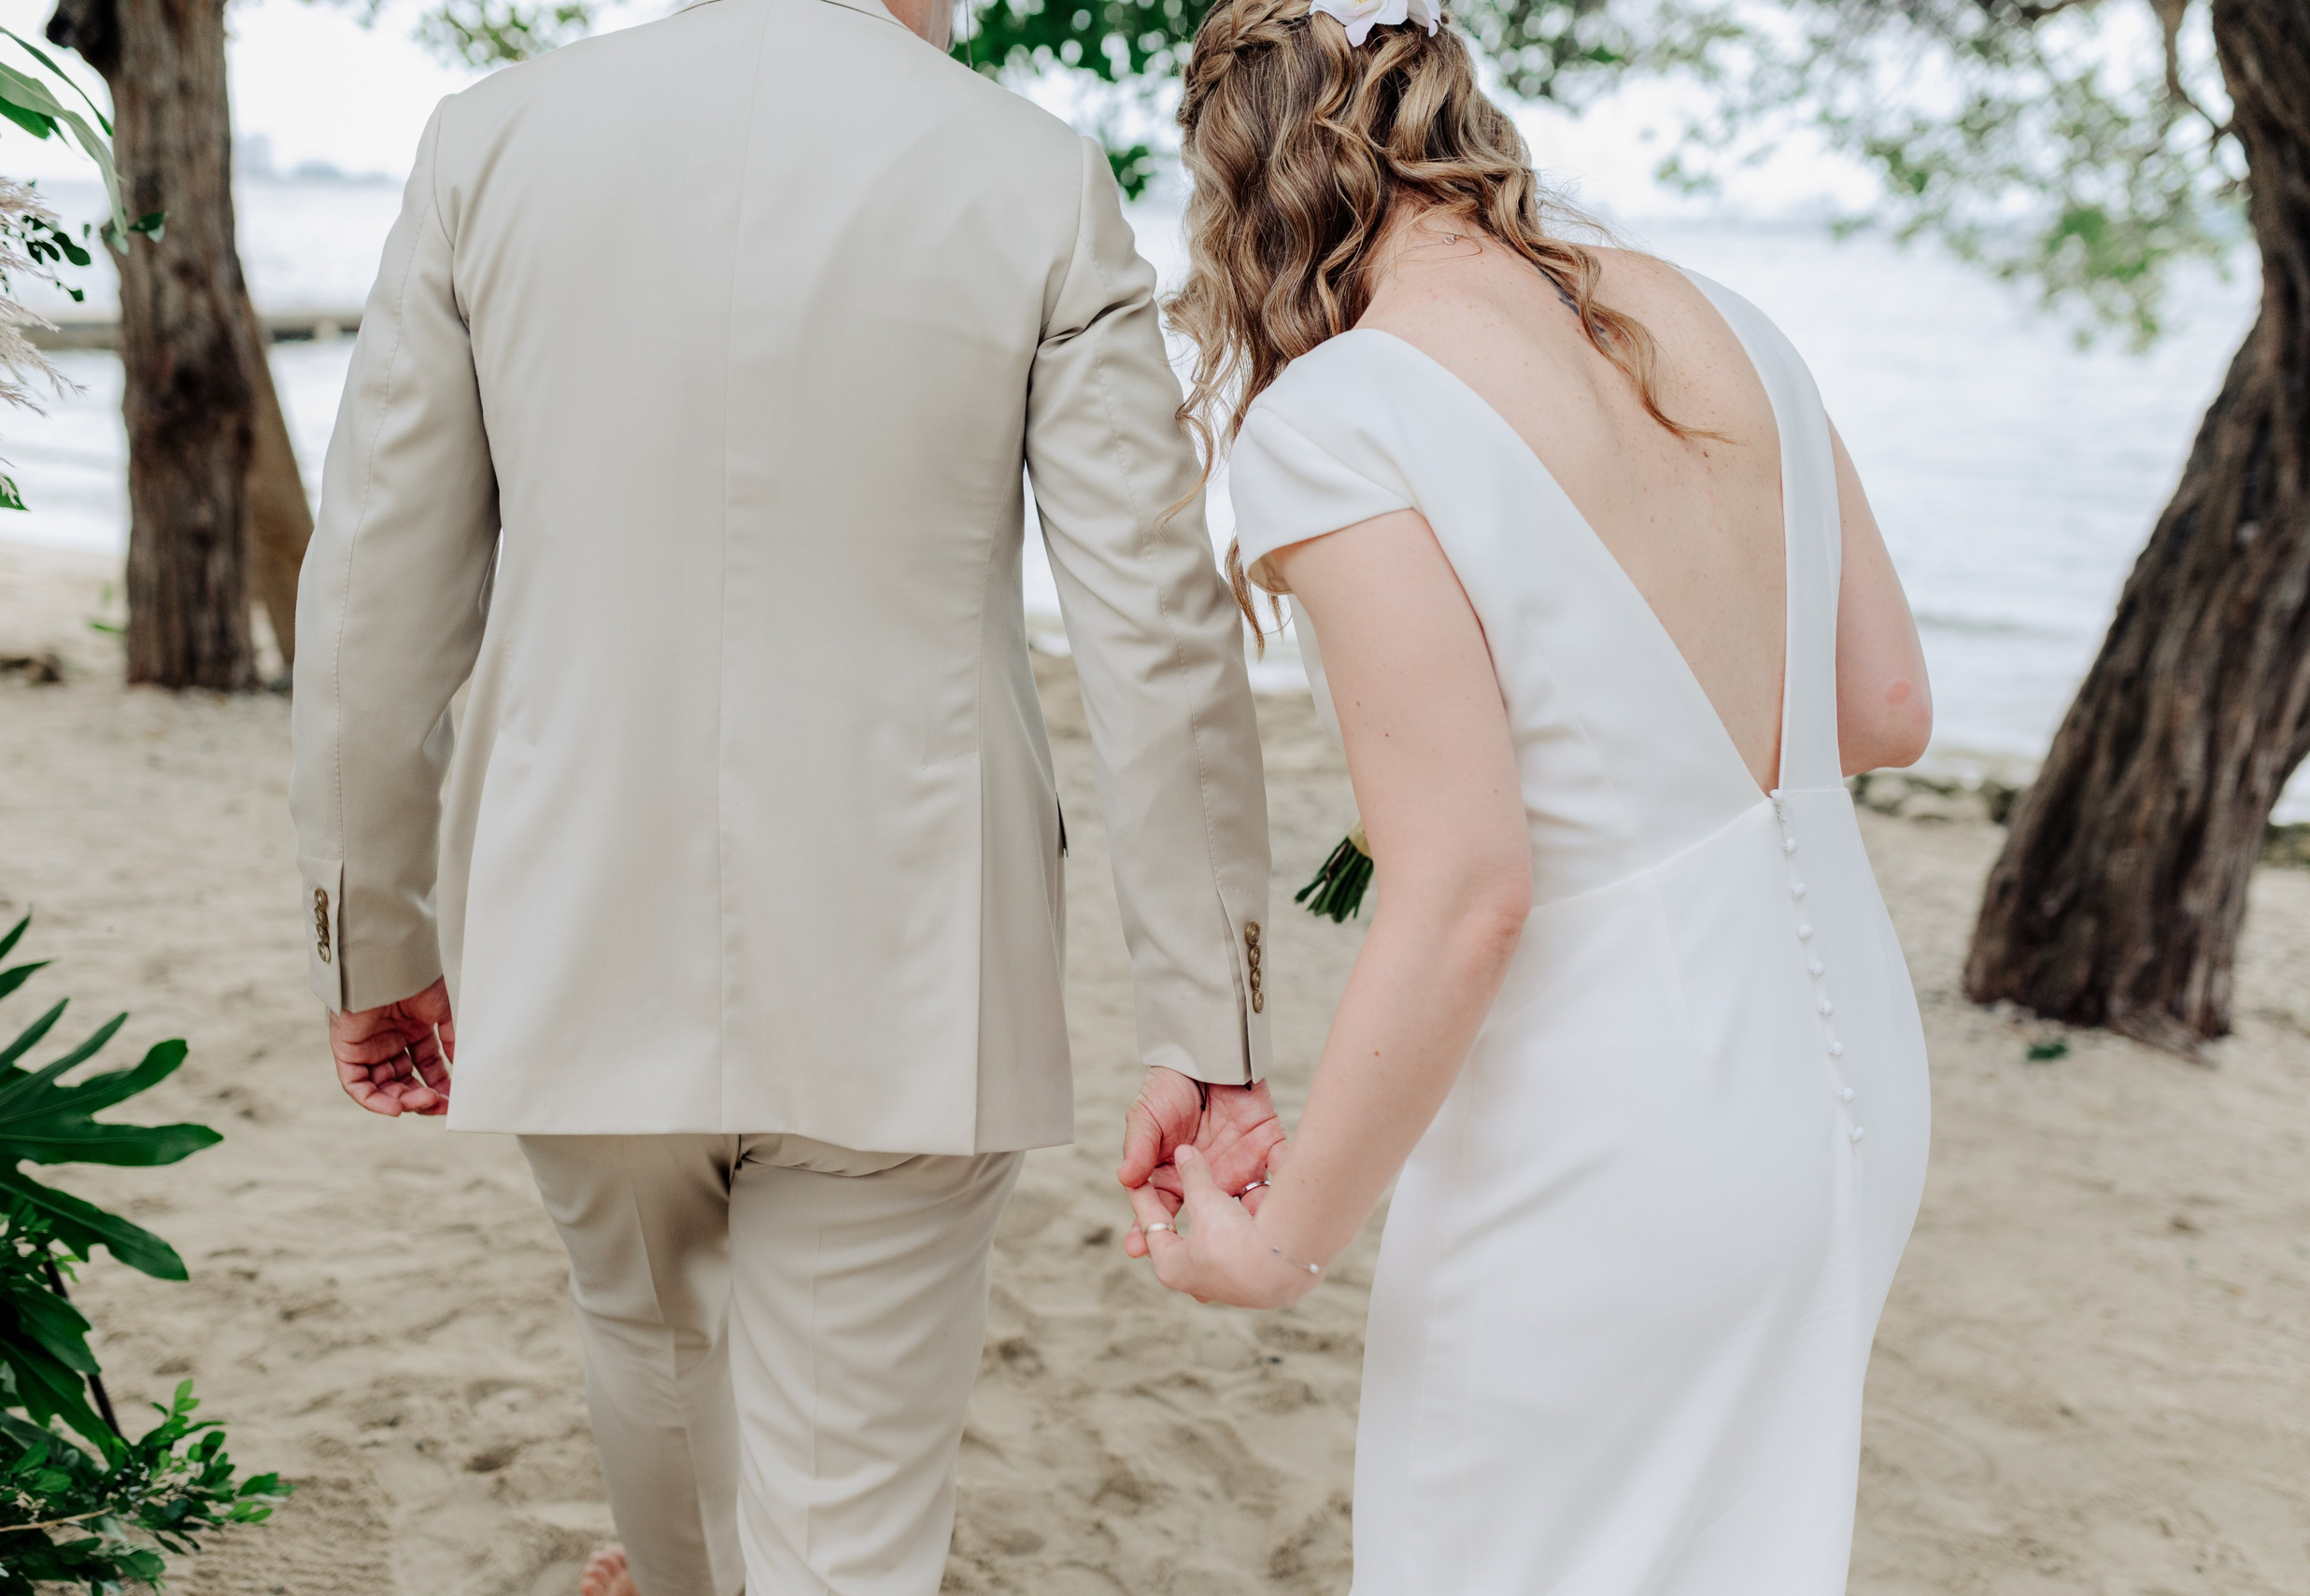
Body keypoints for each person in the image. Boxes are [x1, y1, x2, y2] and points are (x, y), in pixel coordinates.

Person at [286, 0, 1285, 1589]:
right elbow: (1152, 628)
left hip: (577, 915)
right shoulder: (1026, 174)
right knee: (850, 1524)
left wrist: (370, 929)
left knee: (656, 1385)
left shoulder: (490, 144)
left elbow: (375, 592)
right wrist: (1210, 1022)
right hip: (910, 947)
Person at [1122, 0, 1935, 1589]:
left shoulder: (1338, 413)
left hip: (1608, 1133)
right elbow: (1887, 708)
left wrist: (1283, 1243)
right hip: (1849, 1092)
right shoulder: (1731, 319)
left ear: (1251, 200)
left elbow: (1467, 885)